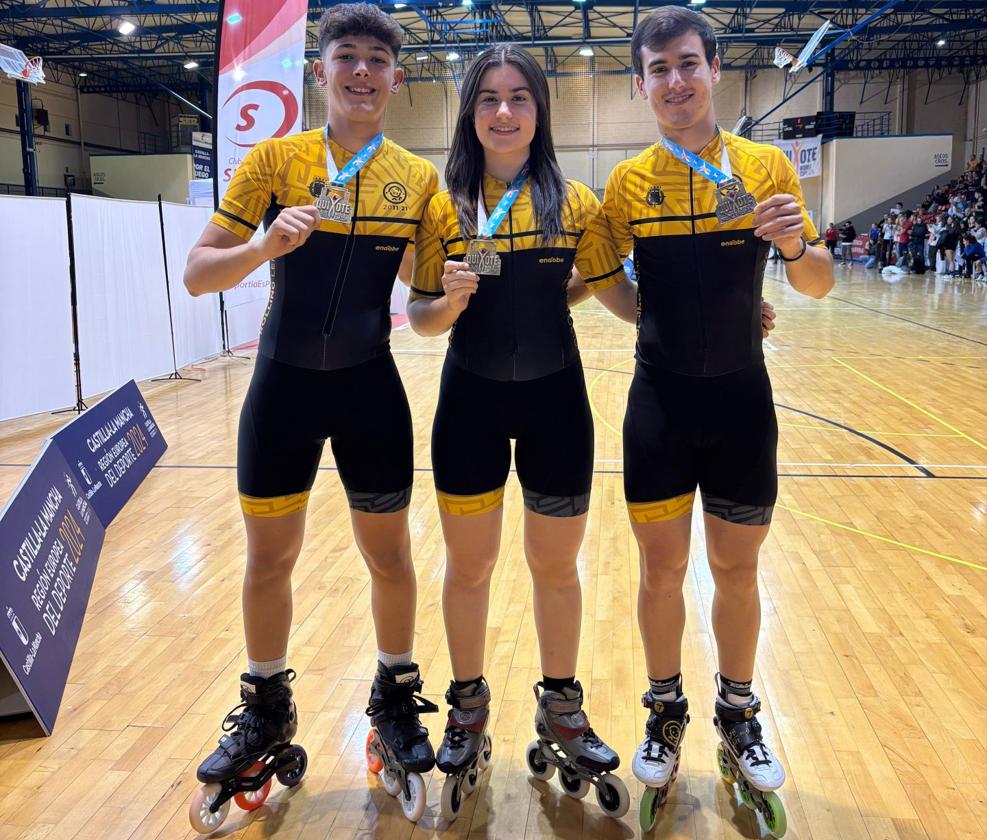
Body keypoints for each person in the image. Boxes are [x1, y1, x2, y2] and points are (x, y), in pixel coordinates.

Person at [182, 4, 440, 827]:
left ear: (395, 78)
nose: (362, 71)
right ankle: (265, 703)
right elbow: (197, 274)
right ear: (319, 71)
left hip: (371, 389)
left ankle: (394, 693)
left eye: (377, 59)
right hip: (281, 390)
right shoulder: (275, 160)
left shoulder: (417, 177)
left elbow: (432, 298)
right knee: (268, 560)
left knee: (390, 556)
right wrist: (262, 248)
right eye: (347, 57)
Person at [603, 6, 834, 832]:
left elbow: (817, 284)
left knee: (737, 573)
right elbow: (608, 284)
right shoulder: (626, 183)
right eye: (658, 68)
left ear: (712, 71)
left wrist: (797, 251)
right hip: (657, 405)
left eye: (687, 64)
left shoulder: (766, 166)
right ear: (640, 83)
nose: (674, 80)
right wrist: (657, 320)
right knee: (660, 574)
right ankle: (664, 709)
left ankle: (736, 712)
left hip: (743, 405)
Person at [407, 43, 651, 822]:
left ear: (539, 110)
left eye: (518, 97)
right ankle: (468, 707)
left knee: (556, 569)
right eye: (488, 98)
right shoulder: (440, 204)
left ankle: (561, 708)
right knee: (468, 569)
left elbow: (601, 289)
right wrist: (446, 303)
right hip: (467, 404)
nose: (503, 112)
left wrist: (709, 313)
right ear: (469, 112)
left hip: (556, 407)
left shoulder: (574, 203)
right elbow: (418, 319)